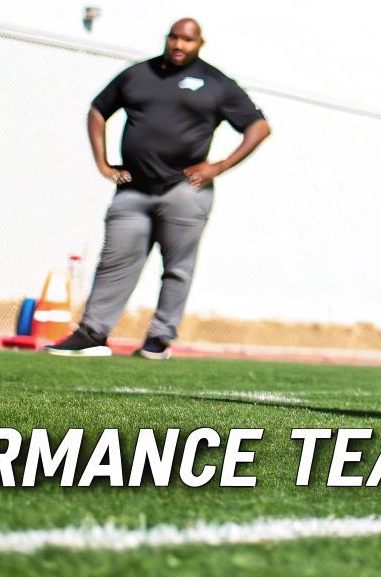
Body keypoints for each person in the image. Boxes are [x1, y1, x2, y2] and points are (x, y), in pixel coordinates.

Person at [45, 18, 271, 360]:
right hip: (133, 189)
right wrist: (103, 164)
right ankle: (92, 333)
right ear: (167, 38)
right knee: (114, 261)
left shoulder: (216, 83)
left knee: (177, 267)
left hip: (185, 190)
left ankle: (159, 340)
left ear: (200, 44)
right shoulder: (138, 74)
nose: (180, 45)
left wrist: (219, 166)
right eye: (175, 38)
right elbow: (97, 110)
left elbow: (259, 126)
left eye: (188, 40)